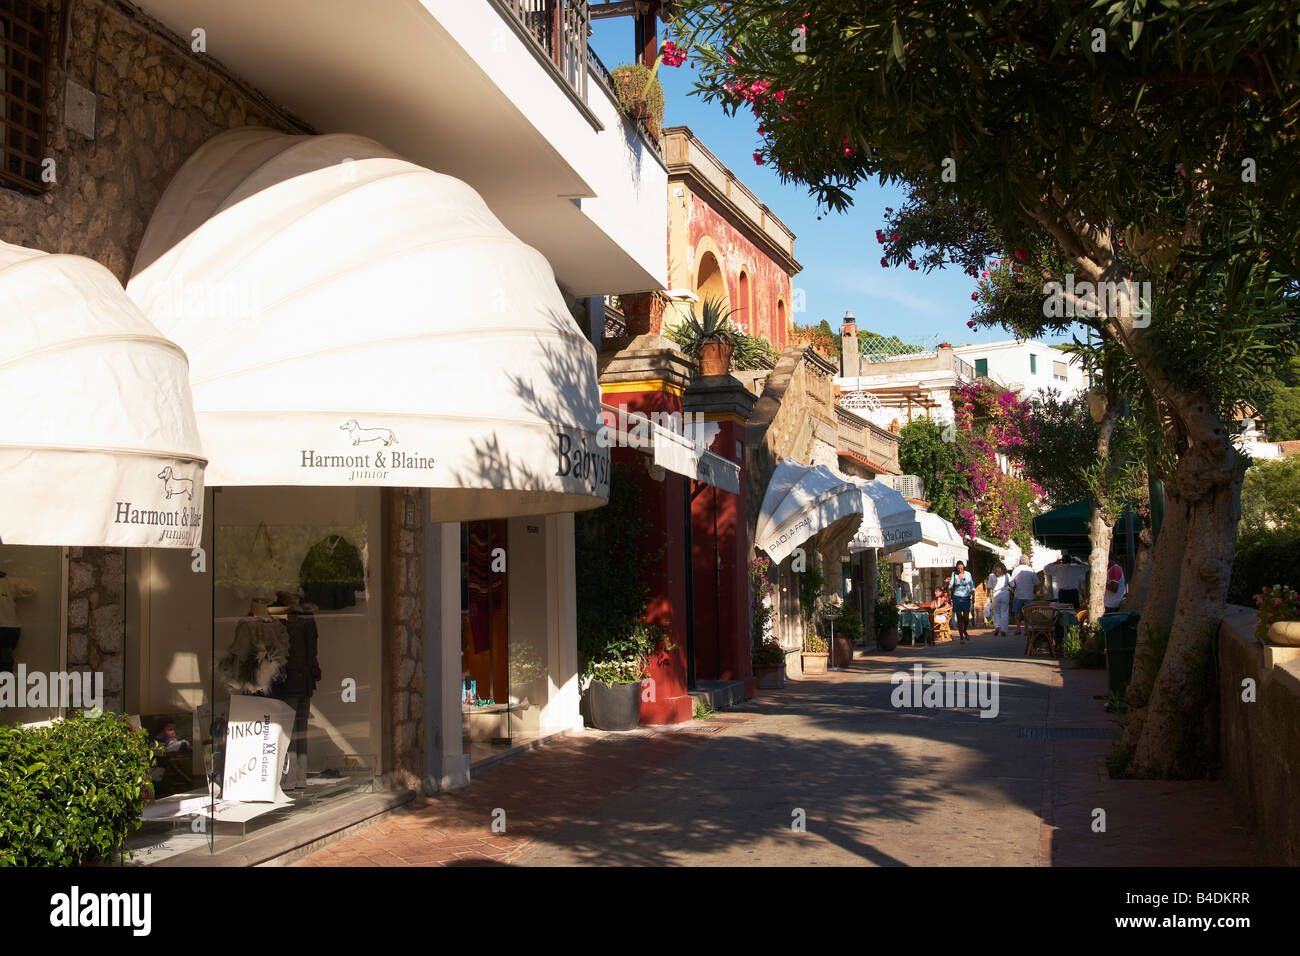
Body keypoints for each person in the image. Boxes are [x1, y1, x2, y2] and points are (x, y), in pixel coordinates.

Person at [1011, 557, 1039, 634]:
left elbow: (1011, 582)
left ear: (1020, 561)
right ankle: (1026, 629)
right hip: (1029, 595)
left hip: (1018, 594)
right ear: (1028, 561)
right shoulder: (1031, 570)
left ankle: (1018, 628)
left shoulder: (1016, 570)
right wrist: (1034, 590)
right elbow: (1036, 583)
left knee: (1017, 612)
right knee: (1028, 612)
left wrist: (1014, 588)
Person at [948, 561, 975, 643]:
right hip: (957, 597)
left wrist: (973, 593)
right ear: (956, 568)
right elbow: (950, 585)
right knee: (959, 617)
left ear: (963, 567)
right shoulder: (954, 574)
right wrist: (949, 592)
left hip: (966, 596)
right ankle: (961, 637)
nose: (960, 569)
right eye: (958, 568)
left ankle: (965, 630)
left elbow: (971, 584)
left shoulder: (968, 574)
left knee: (966, 618)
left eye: (961, 568)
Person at [986, 561, 1012, 636]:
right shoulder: (1007, 575)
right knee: (1005, 612)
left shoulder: (991, 576)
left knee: (996, 612)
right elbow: (1012, 584)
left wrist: (987, 595)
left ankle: (997, 626)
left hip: (996, 595)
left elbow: (989, 587)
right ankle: (1004, 629)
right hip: (1005, 594)